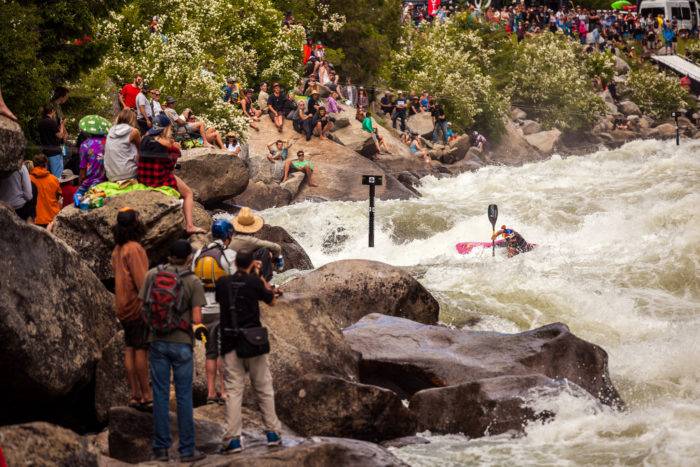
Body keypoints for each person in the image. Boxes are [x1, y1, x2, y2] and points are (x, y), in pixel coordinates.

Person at [140, 239, 207, 462]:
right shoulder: (193, 281)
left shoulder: (152, 275)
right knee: (184, 395)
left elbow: (144, 308)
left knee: (159, 394)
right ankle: (187, 450)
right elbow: (197, 318)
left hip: (157, 342)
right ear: (189, 257)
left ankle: (161, 448)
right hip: (182, 344)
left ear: (169, 255)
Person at [216, 249, 284, 454]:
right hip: (253, 342)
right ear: (251, 264)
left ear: (235, 263)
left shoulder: (222, 283)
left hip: (230, 342)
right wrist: (259, 276)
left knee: (234, 391)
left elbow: (221, 300)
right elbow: (271, 300)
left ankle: (233, 439)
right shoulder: (254, 282)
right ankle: (272, 434)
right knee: (263, 388)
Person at [192, 219, 237, 405]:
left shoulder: (198, 255)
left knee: (210, 352)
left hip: (203, 310)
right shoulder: (229, 255)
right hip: (222, 309)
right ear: (227, 236)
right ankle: (224, 391)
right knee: (223, 352)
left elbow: (193, 280)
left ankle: (210, 393)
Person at [111, 208, 152, 411]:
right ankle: (146, 394)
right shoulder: (134, 249)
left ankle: (134, 394)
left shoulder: (117, 249)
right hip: (135, 305)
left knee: (130, 346)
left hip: (122, 305)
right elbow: (142, 281)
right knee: (141, 348)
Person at [138, 113, 205, 235]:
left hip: (143, 178)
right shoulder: (168, 145)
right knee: (188, 193)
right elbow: (170, 167)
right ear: (166, 128)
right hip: (159, 179)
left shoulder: (143, 139)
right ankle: (190, 226)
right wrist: (176, 147)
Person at [228, 207, 285, 283]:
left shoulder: (230, 236)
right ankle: (264, 281)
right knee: (265, 251)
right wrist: (277, 259)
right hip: (240, 272)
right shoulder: (249, 240)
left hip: (231, 270)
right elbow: (276, 247)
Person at [77, 115, 110, 195]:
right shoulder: (109, 142)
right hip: (108, 181)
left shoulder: (85, 145)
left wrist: (80, 182)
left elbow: (83, 168)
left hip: (91, 182)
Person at [105, 108, 142, 182]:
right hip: (128, 174)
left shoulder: (111, 130)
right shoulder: (134, 131)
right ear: (132, 119)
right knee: (136, 148)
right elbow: (141, 149)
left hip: (110, 175)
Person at [29, 154, 61, 227]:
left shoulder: (28, 179)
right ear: (46, 164)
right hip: (52, 218)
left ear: (33, 164)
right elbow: (59, 198)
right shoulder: (54, 179)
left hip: (35, 219)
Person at [38, 104, 67, 178]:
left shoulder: (40, 122)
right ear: (52, 111)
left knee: (48, 176)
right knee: (57, 176)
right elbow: (60, 135)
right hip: (55, 152)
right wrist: (62, 125)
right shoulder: (51, 122)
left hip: (45, 152)